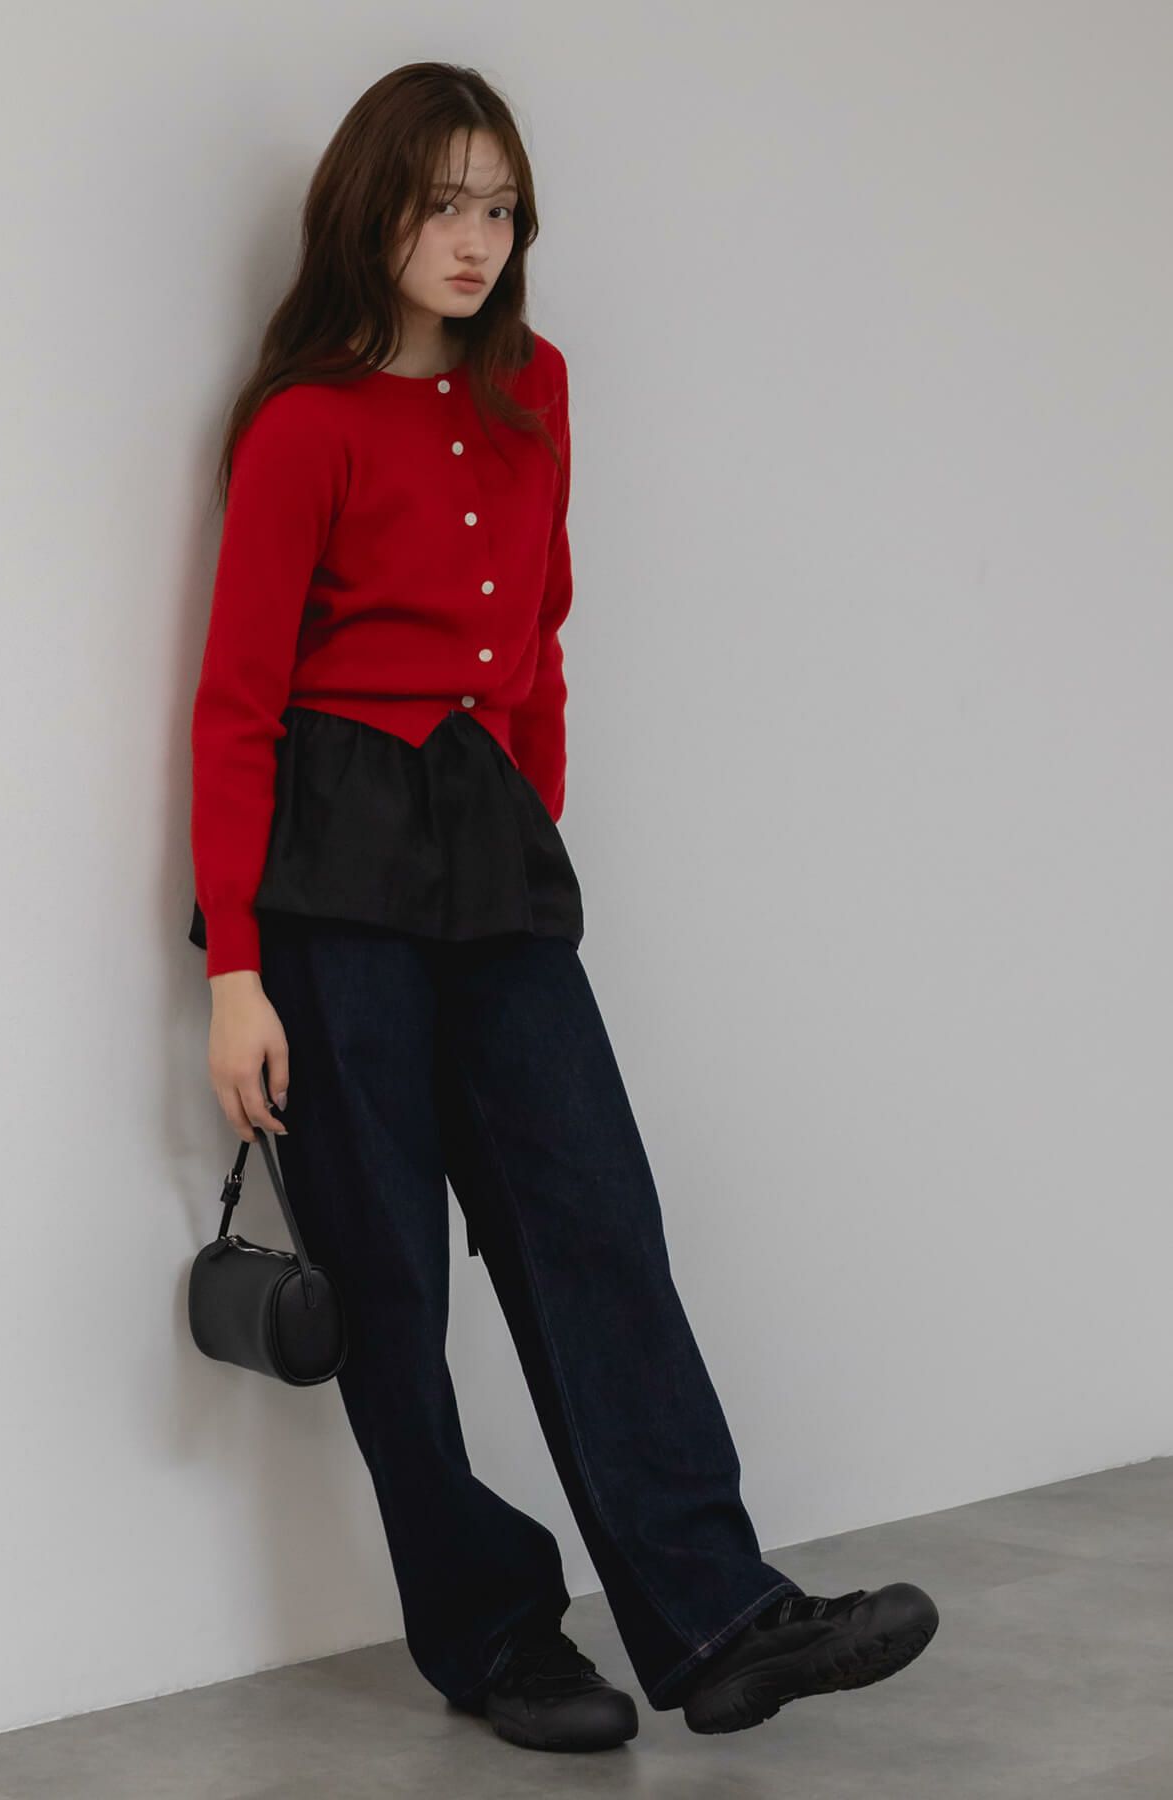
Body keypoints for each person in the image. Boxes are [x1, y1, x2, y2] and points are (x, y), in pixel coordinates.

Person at [187, 61, 939, 1755]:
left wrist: (532, 836)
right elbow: (237, 706)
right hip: (331, 871)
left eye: (500, 206)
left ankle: (719, 1618)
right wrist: (237, 967)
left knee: (595, 1218)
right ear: (371, 211)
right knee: (391, 1278)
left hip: (492, 853)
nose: (475, 238)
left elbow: (537, 650)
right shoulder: (304, 423)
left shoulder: (537, 392)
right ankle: (492, 1637)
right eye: (441, 202)